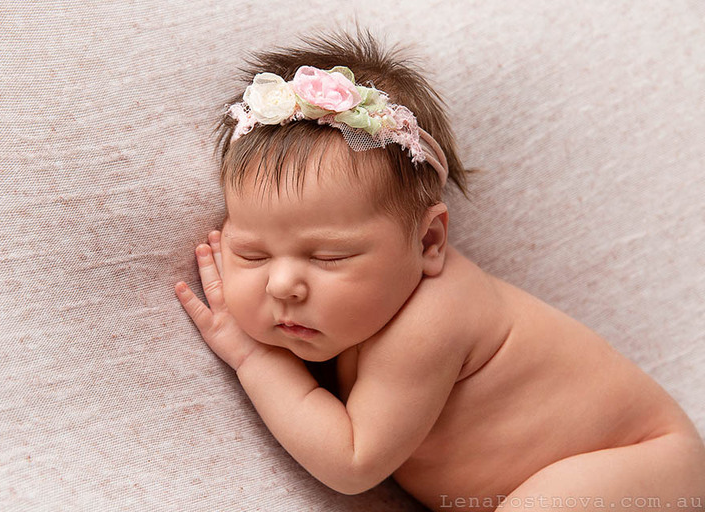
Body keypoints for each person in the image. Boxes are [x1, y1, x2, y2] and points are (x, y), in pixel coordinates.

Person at [174, 30, 705, 511]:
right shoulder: (363, 308)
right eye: (252, 255)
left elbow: (352, 460)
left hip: (646, 466)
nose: (283, 285)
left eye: (329, 257)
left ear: (428, 241)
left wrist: (252, 358)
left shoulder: (432, 319)